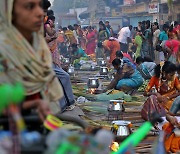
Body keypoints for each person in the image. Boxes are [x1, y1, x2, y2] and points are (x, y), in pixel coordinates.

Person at [0, 0, 66, 121]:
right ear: (10, 13)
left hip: (41, 126)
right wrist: (31, 105)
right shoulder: (3, 50)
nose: (39, 13)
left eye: (39, 6)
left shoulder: (39, 47)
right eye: (30, 7)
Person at [44, 16, 75, 111]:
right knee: (64, 77)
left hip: (49, 58)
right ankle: (67, 103)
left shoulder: (47, 27)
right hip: (46, 59)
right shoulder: (45, 26)